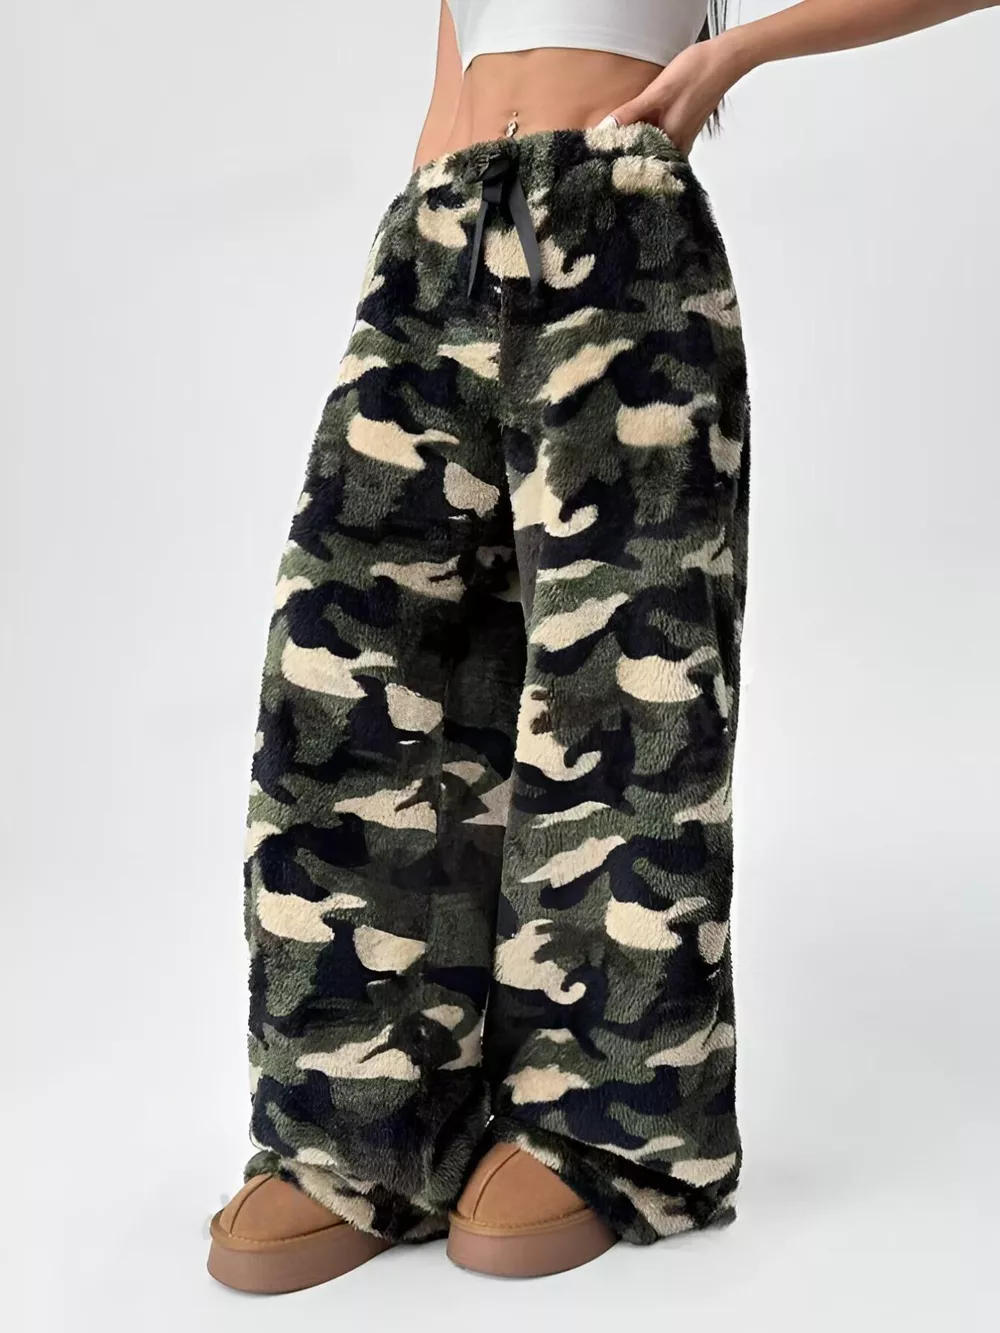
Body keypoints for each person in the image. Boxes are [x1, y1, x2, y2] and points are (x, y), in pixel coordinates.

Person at [207, 0, 997, 1294]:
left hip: (615, 230)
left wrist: (733, 54)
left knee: (618, 691)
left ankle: (612, 1125)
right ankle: (363, 1123)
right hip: (432, 245)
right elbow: (455, 72)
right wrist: (411, 249)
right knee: (353, 676)